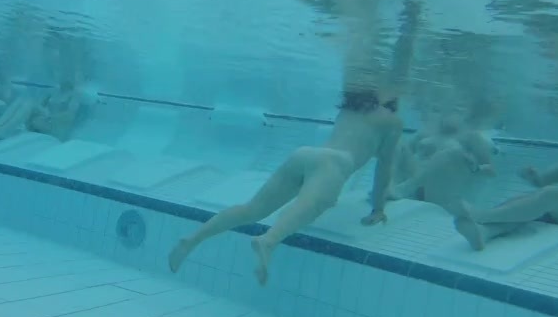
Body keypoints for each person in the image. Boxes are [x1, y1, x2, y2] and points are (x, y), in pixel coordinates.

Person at [167, 86, 403, 285]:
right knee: (316, 204)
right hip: (336, 163)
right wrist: (378, 208)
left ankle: (192, 239)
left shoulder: (351, 108)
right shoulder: (392, 122)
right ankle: (268, 241)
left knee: (251, 209)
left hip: (305, 155)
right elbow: (385, 168)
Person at [388, 114, 497, 214]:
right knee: (398, 144)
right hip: (417, 186)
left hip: (442, 191)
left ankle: (403, 189)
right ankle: (389, 186)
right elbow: (404, 154)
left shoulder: (472, 137)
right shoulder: (426, 132)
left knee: (451, 153)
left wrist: (474, 167)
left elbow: (491, 172)